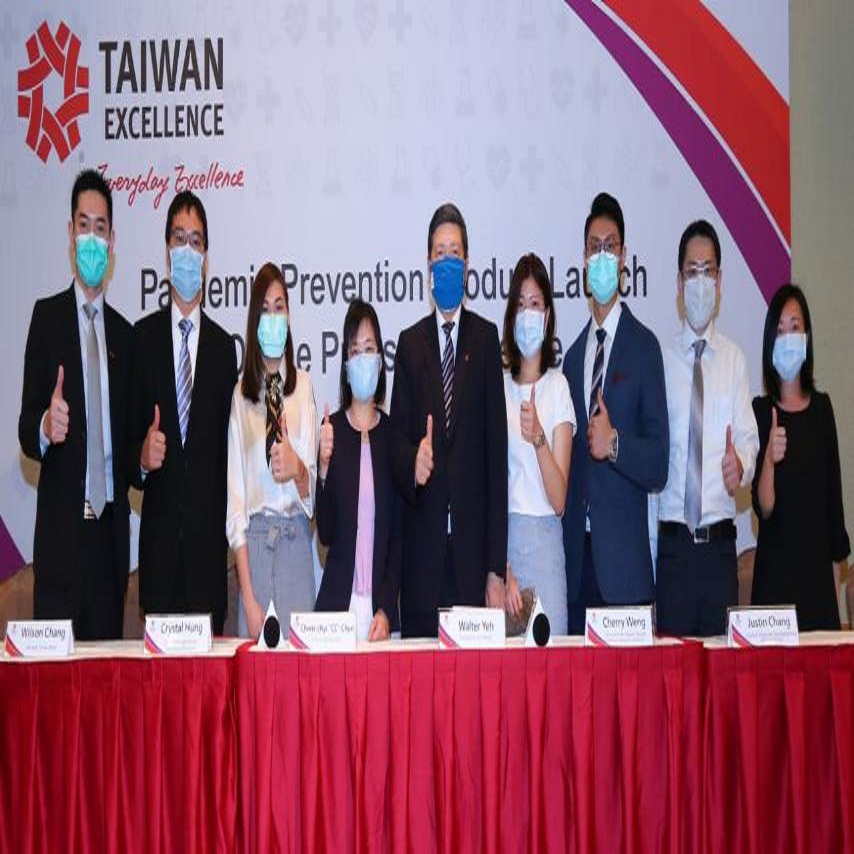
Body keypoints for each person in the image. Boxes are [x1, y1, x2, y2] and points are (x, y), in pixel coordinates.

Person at [18, 169, 132, 639]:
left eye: (100, 228)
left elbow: (129, 448)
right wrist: (46, 425)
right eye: (83, 226)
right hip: (60, 547)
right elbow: (25, 429)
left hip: (108, 548)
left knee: (106, 682)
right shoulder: (45, 319)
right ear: (70, 233)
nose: (91, 238)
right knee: (56, 684)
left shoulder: (125, 336)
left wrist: (144, 459)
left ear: (112, 241)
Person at [390, 202, 508, 637]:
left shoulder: (486, 339)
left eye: (454, 253)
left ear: (467, 264)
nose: (446, 262)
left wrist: (496, 569)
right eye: (439, 254)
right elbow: (396, 444)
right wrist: (412, 463)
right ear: (428, 264)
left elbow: (496, 460)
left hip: (474, 562)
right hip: (423, 562)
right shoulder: (409, 344)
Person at [128, 191, 237, 634]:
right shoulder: (141, 340)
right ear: (167, 251)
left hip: (207, 566)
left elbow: (226, 461)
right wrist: (141, 458)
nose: (187, 250)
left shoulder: (224, 349)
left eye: (196, 241)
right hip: (159, 565)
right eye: (179, 239)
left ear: (206, 256)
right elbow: (127, 454)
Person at [562, 192, 669, 634]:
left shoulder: (644, 347)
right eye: (594, 247)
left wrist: (615, 444)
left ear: (624, 257)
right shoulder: (572, 359)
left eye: (610, 246)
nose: (602, 256)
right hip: (577, 569)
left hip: (625, 571)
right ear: (584, 260)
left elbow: (659, 463)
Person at [655, 220, 759, 636]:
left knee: (720, 672)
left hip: (719, 552)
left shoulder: (734, 360)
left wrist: (741, 465)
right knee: (673, 673)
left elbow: (748, 440)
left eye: (708, 270)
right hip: (673, 551)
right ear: (679, 283)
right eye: (692, 271)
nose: (700, 281)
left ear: (720, 280)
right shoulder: (660, 359)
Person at [226, 262, 317, 638]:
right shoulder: (241, 396)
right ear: (254, 321)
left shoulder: (303, 387)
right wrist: (248, 596)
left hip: (297, 547)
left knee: (301, 669)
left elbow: (314, 497)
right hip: (257, 553)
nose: (273, 317)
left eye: (280, 307)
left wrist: (298, 468)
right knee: (256, 669)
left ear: (290, 316)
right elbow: (235, 505)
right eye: (264, 309)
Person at [751, 284, 850, 630]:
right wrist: (769, 459)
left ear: (807, 337)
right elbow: (763, 507)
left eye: (795, 327)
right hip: (773, 588)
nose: (788, 337)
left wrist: (835, 598)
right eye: (780, 330)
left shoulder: (822, 409)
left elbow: (834, 507)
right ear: (769, 342)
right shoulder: (760, 411)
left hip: (817, 588)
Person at [315, 299, 401, 640]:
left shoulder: (393, 435)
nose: (363, 358)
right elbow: (325, 534)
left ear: (380, 361)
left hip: (380, 617)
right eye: (355, 350)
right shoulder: (331, 431)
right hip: (336, 611)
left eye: (369, 348)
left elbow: (398, 538)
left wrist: (386, 608)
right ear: (346, 366)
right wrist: (323, 468)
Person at [502, 253, 574, 635]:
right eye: (520, 304)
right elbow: (488, 492)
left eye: (535, 304)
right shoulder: (497, 388)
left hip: (546, 546)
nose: (527, 313)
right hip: (507, 550)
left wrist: (539, 439)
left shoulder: (558, 388)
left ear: (546, 317)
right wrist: (503, 570)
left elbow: (559, 500)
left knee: (553, 665)